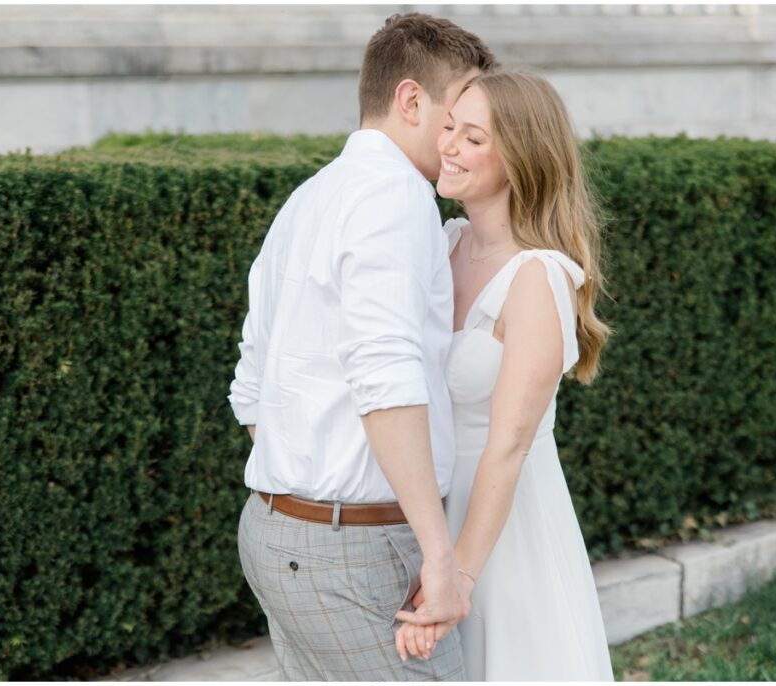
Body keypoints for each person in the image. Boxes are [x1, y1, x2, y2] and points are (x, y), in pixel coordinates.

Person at [228, 13, 498, 681]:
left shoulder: (309, 197)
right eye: (454, 111)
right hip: (352, 550)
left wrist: (303, 480)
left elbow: (250, 387)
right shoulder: (394, 199)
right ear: (411, 100)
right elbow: (387, 378)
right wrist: (440, 558)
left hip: (277, 532)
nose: (463, 137)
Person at [396, 71, 615, 680]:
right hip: (428, 507)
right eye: (449, 130)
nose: (448, 147)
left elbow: (511, 443)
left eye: (472, 137)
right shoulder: (443, 243)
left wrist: (460, 574)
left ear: (519, 159)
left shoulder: (538, 278)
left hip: (505, 527)